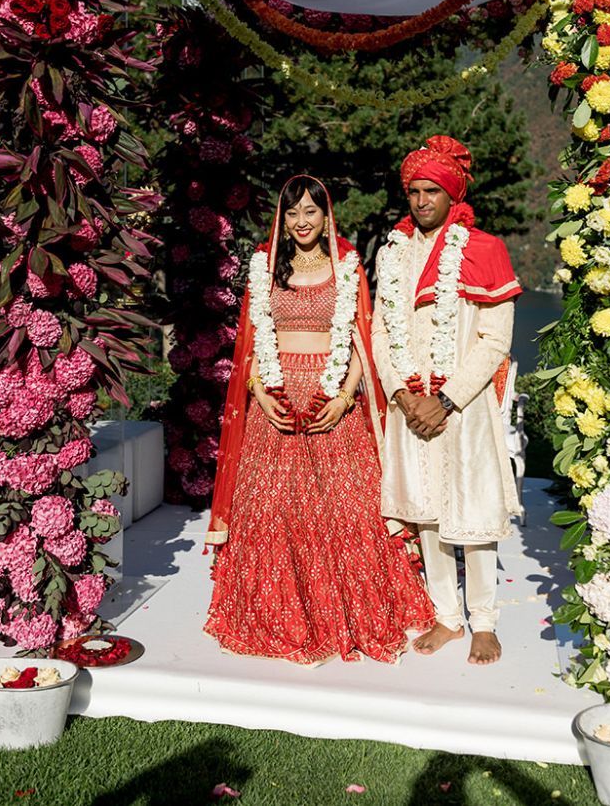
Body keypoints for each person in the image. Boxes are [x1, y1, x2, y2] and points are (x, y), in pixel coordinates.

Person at [204, 174, 434, 665]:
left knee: (348, 512)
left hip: (333, 402)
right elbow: (249, 345)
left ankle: (347, 612)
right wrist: (261, 395)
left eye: (311, 211)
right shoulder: (265, 268)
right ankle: (277, 612)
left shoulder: (347, 266)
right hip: (278, 401)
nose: (303, 221)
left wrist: (346, 394)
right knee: (271, 511)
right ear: (282, 220)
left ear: (326, 216)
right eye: (293, 213)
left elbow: (360, 340)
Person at [371, 136, 522, 666]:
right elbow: (379, 333)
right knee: (429, 514)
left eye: (431, 190)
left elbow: (495, 341)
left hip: (465, 406)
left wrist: (448, 399)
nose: (421, 200)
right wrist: (401, 393)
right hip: (409, 408)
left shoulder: (484, 249)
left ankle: (483, 621)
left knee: (472, 513)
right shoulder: (392, 252)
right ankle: (447, 617)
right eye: (413, 190)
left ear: (451, 194)